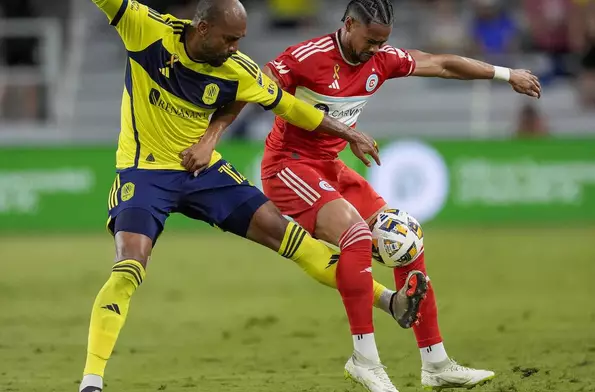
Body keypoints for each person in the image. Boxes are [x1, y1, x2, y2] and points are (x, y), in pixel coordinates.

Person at [79, 0, 429, 391]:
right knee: (129, 267)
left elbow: (292, 107)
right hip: (144, 174)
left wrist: (349, 133)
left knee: (292, 240)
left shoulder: (239, 69)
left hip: (204, 172)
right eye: (229, 39)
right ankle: (91, 381)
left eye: (240, 40)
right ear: (202, 28)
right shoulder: (146, 29)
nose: (235, 48)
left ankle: (391, 303)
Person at [198, 0, 542, 390]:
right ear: (349, 25)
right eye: (371, 40)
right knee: (357, 238)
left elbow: (442, 63)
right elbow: (251, 87)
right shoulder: (306, 58)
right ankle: (364, 359)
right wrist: (210, 139)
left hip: (332, 166)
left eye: (383, 42)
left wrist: (505, 73)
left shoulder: (382, 60)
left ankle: (436, 363)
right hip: (288, 167)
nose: (376, 50)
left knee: (406, 241)